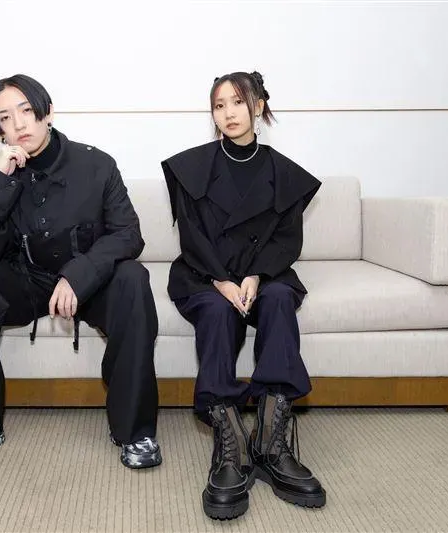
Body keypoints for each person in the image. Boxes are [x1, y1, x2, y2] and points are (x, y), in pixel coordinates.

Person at [0, 74, 162, 474]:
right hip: (27, 281)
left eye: (26, 111)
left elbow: (128, 234)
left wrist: (78, 276)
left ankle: (135, 432)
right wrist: (0, 182)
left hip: (89, 283)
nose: (18, 124)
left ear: (47, 112)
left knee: (133, 280)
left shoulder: (96, 164)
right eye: (5, 118)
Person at [161, 71, 326, 519]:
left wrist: (255, 274)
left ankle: (271, 442)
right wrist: (221, 279)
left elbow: (287, 239)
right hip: (204, 273)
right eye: (219, 105)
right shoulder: (191, 166)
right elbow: (191, 236)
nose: (228, 113)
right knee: (217, 311)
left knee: (278, 299)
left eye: (237, 102)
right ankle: (230, 443)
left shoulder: (283, 172)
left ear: (258, 106)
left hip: (262, 273)